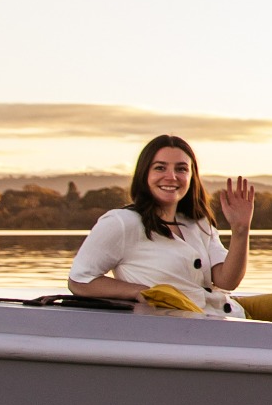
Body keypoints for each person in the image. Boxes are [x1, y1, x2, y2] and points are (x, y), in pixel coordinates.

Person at [68, 135, 254, 317]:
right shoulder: (122, 222)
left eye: (181, 169)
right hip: (187, 329)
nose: (171, 177)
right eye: (160, 168)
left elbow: (227, 281)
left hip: (226, 317)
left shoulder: (198, 222)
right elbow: (79, 280)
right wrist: (140, 291)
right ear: (144, 174)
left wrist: (240, 229)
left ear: (191, 176)